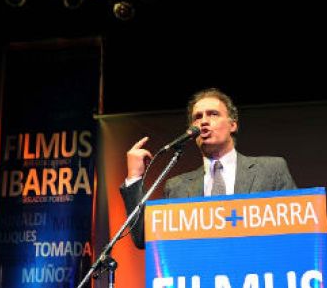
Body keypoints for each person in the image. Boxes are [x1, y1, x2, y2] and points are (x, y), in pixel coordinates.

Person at [119, 87, 297, 249]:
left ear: (232, 125)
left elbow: (297, 229)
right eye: (198, 117)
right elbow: (143, 237)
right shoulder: (178, 187)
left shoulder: (271, 170)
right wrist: (134, 176)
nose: (204, 122)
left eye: (213, 114)